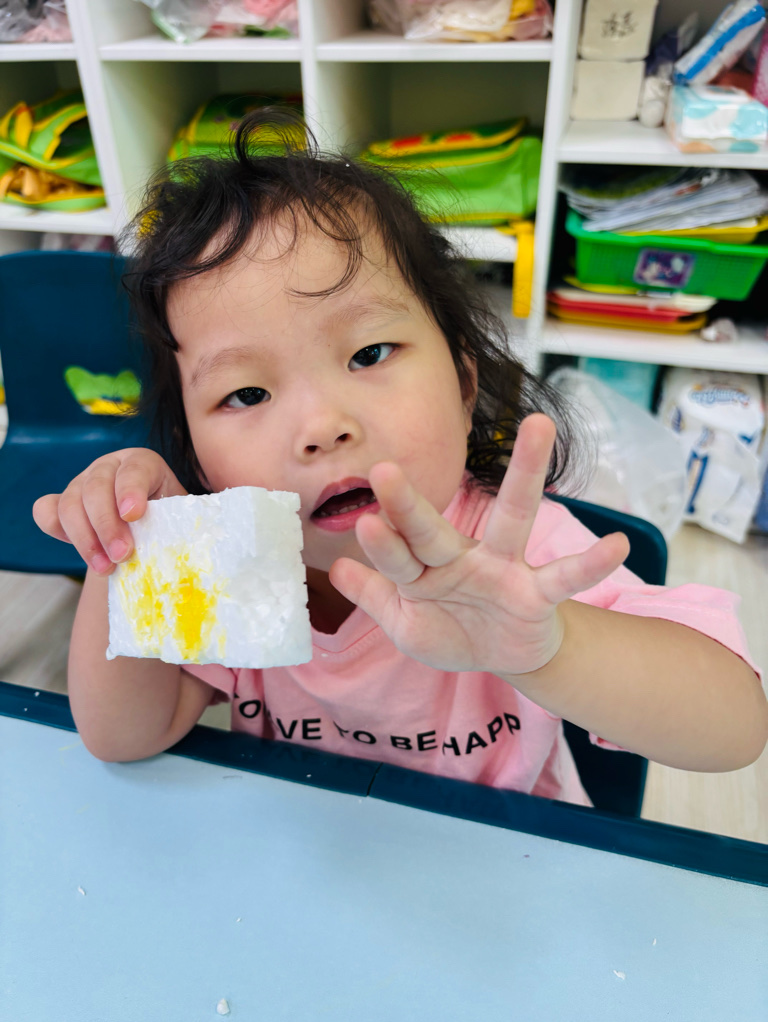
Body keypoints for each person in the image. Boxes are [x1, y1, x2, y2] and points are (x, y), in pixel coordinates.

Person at [33, 110, 767, 805]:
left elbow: (733, 729)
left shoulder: (516, 557)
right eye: (247, 393)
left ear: (464, 383)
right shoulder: (230, 565)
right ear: (196, 456)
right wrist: (123, 551)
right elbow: (123, 734)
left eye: (369, 353)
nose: (322, 427)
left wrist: (549, 646)